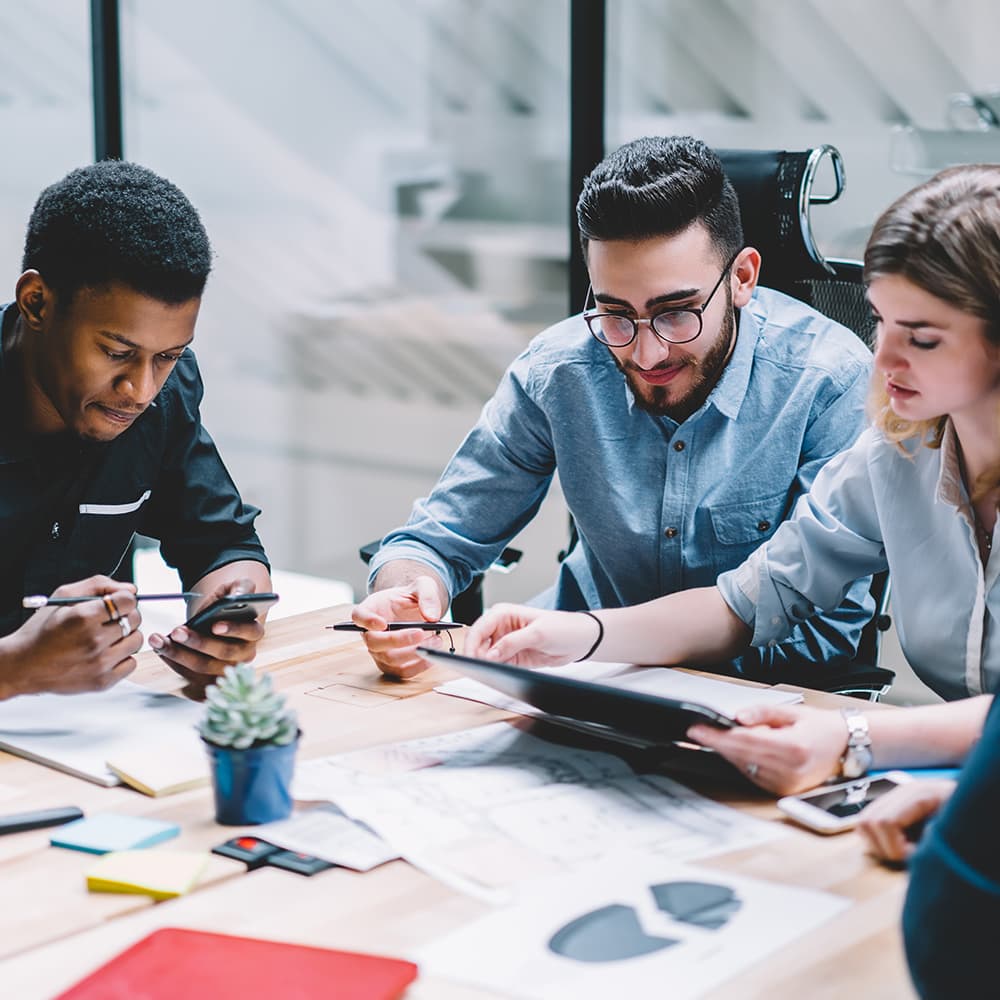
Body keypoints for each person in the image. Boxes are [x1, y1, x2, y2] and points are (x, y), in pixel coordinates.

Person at [464, 163, 1000, 807]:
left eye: (921, 338)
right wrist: (577, 636)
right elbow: (747, 601)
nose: (881, 361)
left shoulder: (828, 384)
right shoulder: (899, 453)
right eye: (881, 322)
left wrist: (855, 736)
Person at [354, 135, 873, 679]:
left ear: (742, 278)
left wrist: (611, 648)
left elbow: (826, 636)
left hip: (751, 703)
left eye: (676, 312)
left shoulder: (828, 382)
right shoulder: (559, 370)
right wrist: (409, 598)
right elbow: (433, 540)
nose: (645, 352)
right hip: (567, 676)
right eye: (616, 313)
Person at [0, 160, 272, 699]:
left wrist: (232, 614)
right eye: (116, 352)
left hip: (98, 749)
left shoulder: (162, 400)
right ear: (37, 303)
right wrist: (15, 669)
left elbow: (224, 543)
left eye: (168, 355)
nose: (140, 390)